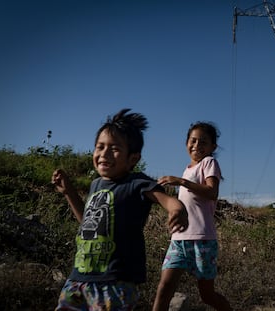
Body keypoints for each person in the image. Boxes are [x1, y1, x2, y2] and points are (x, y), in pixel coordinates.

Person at [52, 108, 188, 310]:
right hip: (78, 279)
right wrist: (69, 193)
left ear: (132, 158)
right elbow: (88, 222)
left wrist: (177, 209)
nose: (104, 154)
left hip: (114, 283)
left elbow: (167, 200)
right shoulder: (95, 185)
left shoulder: (136, 183)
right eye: (100, 147)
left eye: (114, 148)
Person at [152, 122, 232, 311]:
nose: (196, 145)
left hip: (202, 240)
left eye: (203, 142)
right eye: (193, 140)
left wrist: (180, 181)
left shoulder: (209, 163)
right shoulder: (187, 169)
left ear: (213, 147)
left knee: (207, 295)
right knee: (164, 289)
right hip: (178, 240)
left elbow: (212, 192)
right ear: (186, 142)